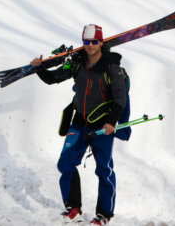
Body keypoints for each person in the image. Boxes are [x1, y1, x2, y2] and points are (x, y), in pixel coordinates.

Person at [31, 24, 126, 225]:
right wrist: (39, 68)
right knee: (65, 163)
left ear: (101, 42)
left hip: (102, 127)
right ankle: (73, 207)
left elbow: (120, 98)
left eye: (93, 42)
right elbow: (53, 78)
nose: (90, 46)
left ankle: (104, 214)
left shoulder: (112, 67)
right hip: (79, 123)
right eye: (86, 42)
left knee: (104, 169)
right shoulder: (77, 63)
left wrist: (111, 123)